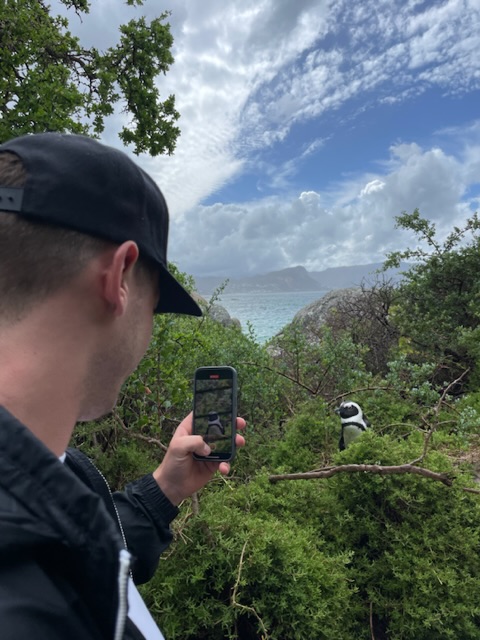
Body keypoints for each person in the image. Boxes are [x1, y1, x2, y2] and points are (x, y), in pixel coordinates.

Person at [0, 132, 246, 640]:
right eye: (155, 305)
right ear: (120, 277)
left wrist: (164, 491)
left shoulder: (55, 468)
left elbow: (80, 547)